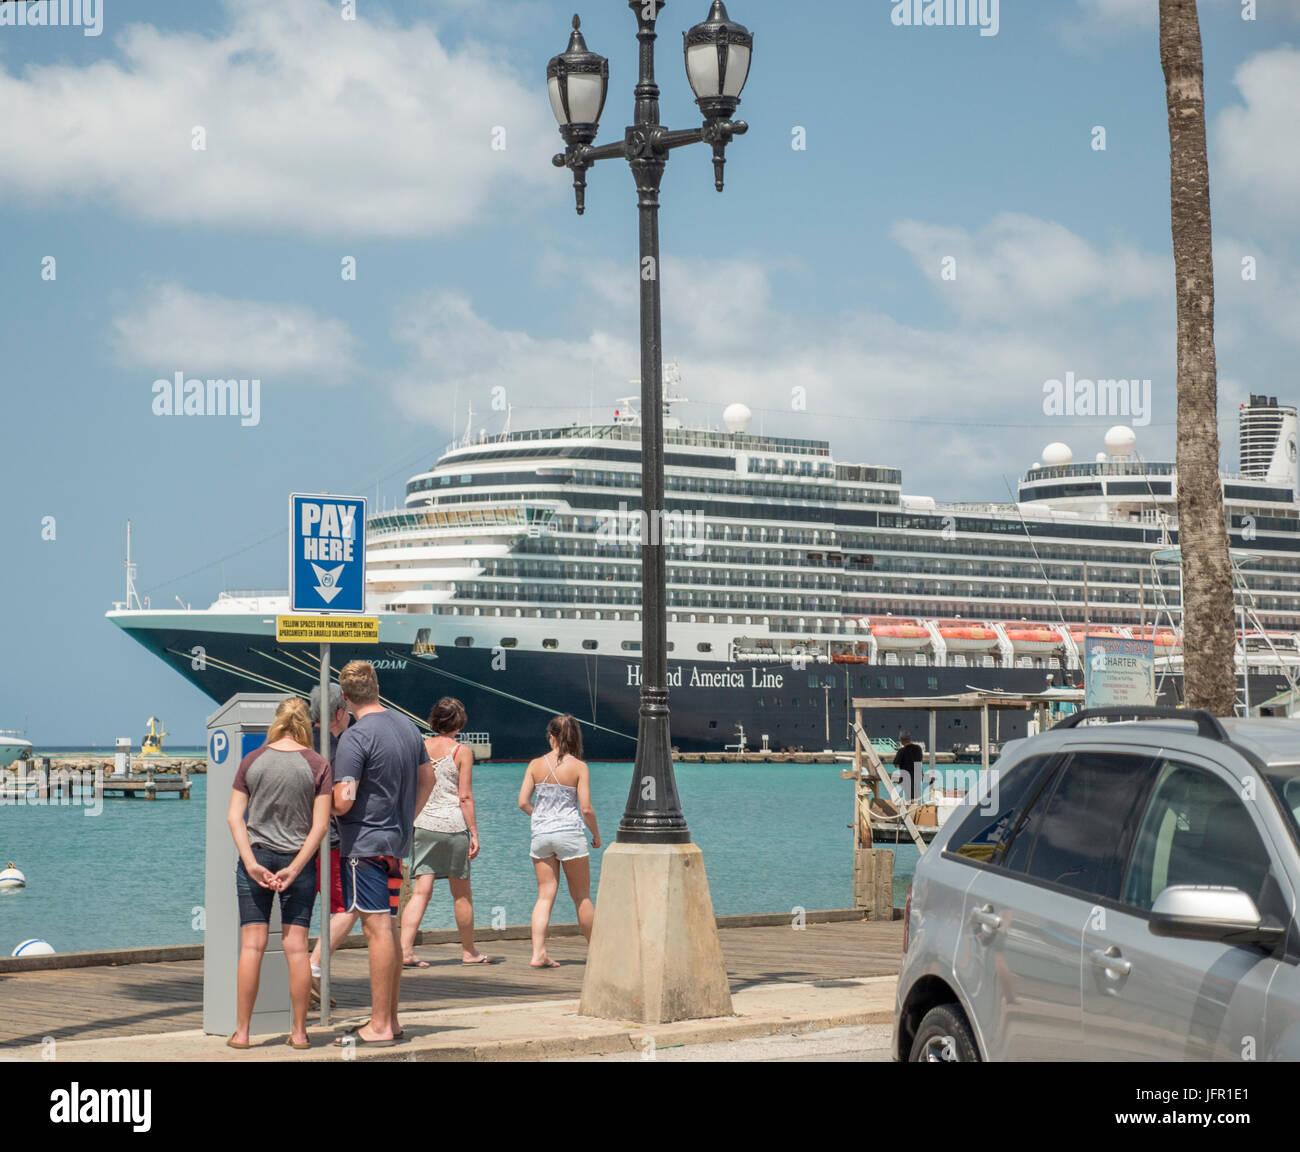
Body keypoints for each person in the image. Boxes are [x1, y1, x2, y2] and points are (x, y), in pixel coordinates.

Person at [331, 660, 434, 1047]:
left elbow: (344, 799)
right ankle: (390, 1019)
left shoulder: (355, 739)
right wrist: (407, 817)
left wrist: (318, 801)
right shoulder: (408, 727)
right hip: (395, 844)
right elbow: (429, 779)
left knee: (375, 931)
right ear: (377, 687)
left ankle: (377, 1025)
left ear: (344, 697)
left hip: (363, 845)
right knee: (387, 927)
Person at [226, 696, 332, 1050]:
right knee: (297, 949)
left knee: (252, 947)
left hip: (255, 858)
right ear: (307, 723)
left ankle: (242, 1033)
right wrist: (296, 866)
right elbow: (319, 827)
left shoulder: (252, 761)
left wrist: (251, 862)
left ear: (277, 721)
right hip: (297, 863)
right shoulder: (317, 764)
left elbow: (234, 817)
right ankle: (300, 1033)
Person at [400, 697, 496, 966]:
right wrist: (474, 832)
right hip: (454, 826)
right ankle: (469, 952)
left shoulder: (420, 747)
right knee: (462, 893)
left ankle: (405, 950)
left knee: (421, 891)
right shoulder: (462, 751)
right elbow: (465, 796)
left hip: (424, 824)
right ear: (459, 722)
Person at [518, 714, 601, 969]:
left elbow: (522, 802)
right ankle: (599, 954)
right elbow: (585, 808)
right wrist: (596, 835)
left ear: (551, 737)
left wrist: (542, 817)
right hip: (569, 834)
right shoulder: (579, 767)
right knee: (582, 898)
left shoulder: (535, 764)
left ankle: (538, 953)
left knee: (545, 896)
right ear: (574, 738)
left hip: (541, 834)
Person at [307, 682, 357, 1010]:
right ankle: (312, 970)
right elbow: (341, 798)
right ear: (339, 712)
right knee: (347, 909)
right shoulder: (339, 745)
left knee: (295, 913)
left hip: (291, 841)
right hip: (330, 840)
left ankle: (299, 978)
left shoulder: (299, 741)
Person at [894, 732, 923, 802]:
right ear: (909, 739)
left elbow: (896, 764)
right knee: (917, 798)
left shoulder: (902, 751)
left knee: (909, 799)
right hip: (918, 776)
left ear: (901, 740)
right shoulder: (918, 748)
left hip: (906, 777)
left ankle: (910, 810)